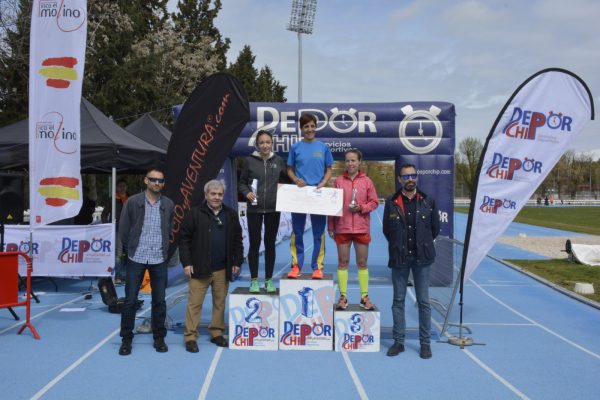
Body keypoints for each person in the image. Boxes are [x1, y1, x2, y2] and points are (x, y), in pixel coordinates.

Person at [382, 164, 439, 359]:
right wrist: (398, 246)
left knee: (423, 302)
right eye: (406, 176)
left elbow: (435, 228)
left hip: (422, 259)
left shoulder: (428, 200)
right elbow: (386, 230)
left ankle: (425, 343)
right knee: (398, 300)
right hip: (400, 258)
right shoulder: (391, 201)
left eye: (413, 175)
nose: (410, 179)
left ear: (417, 178)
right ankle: (399, 342)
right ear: (400, 179)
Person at [179, 180, 243, 353]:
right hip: (199, 268)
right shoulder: (194, 213)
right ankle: (190, 336)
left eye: (220, 194)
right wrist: (186, 263)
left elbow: (238, 239)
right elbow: (184, 240)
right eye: (213, 194)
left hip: (222, 268)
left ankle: (216, 332)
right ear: (206, 195)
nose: (216, 197)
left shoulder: (230, 214)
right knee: (194, 304)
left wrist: (237, 261)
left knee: (220, 303)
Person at [118, 167, 174, 356]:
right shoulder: (133, 202)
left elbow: (170, 229)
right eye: (153, 179)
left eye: (160, 181)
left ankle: (159, 337)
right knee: (130, 300)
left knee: (159, 301)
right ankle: (126, 338)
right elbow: (124, 230)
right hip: (137, 257)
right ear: (146, 181)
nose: (157, 183)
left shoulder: (168, 204)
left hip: (159, 258)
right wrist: (130, 248)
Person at [328, 149, 379, 310]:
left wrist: (361, 208)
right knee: (343, 262)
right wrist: (331, 226)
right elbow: (333, 205)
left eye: (353, 161)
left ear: (359, 162)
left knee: (362, 263)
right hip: (342, 228)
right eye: (348, 160)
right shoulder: (338, 181)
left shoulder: (367, 181)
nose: (350, 163)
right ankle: (343, 296)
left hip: (361, 228)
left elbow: (375, 202)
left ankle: (364, 296)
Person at [239, 130, 288, 293]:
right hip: (254, 209)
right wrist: (247, 193)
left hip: (273, 209)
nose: (265, 145)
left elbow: (288, 180)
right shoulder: (249, 161)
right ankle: (254, 280)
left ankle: (268, 280)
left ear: (272, 143)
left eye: (268, 142)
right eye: (262, 142)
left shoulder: (279, 161)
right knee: (254, 244)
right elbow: (242, 183)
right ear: (257, 145)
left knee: (270, 245)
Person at [286, 113, 334, 279]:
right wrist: (296, 180)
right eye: (306, 126)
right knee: (297, 232)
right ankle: (296, 266)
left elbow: (329, 169)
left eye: (312, 126)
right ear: (301, 129)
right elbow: (289, 170)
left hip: (318, 194)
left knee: (318, 233)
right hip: (299, 194)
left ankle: (317, 267)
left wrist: (323, 182)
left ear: (316, 127)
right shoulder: (295, 148)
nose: (310, 129)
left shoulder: (323, 147)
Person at [102, 179, 129, 282]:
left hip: (129, 230)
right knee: (118, 254)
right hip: (117, 229)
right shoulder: (112, 199)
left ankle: (123, 275)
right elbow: (104, 214)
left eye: (124, 186)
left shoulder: (130, 199)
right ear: (117, 188)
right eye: (120, 186)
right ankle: (114, 275)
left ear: (126, 187)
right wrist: (107, 226)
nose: (122, 188)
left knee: (130, 254)